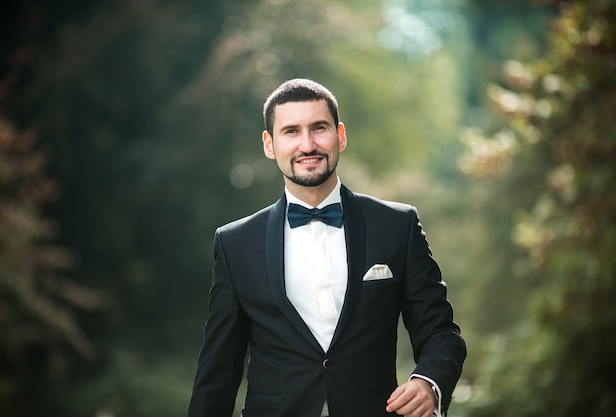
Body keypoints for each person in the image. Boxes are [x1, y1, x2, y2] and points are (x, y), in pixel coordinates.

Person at [187, 78, 466, 417]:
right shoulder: (235, 243)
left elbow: (441, 331)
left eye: (319, 128)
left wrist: (428, 382)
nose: (307, 145)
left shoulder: (397, 226)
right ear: (269, 144)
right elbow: (219, 369)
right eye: (291, 131)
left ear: (340, 135)